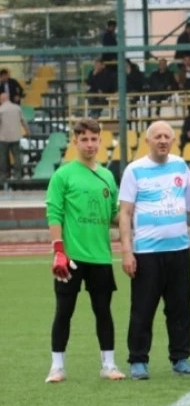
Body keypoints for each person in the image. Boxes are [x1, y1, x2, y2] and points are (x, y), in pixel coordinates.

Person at [44, 118, 124, 383]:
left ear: (100, 141)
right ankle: (57, 367)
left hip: (101, 257)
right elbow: (54, 213)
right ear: (75, 141)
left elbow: (114, 215)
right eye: (84, 139)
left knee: (103, 311)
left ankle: (109, 364)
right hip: (71, 258)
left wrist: (134, 214)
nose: (90, 144)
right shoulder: (63, 175)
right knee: (64, 311)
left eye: (94, 139)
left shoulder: (107, 176)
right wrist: (59, 250)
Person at [118, 121, 190, 379]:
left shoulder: (180, 166)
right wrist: (127, 251)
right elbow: (125, 213)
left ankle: (181, 358)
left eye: (167, 136)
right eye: (157, 136)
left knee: (180, 307)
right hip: (147, 253)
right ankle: (138, 360)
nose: (162, 140)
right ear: (148, 141)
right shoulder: (134, 170)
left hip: (179, 250)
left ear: (173, 140)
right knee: (143, 308)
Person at [0, 92, 28, 183]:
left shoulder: (1, 110)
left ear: (2, 99)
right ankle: (18, 174)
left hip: (3, 137)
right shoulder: (17, 108)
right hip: (15, 136)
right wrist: (28, 131)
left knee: (3, 156)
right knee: (17, 156)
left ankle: (4, 175)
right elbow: (23, 121)